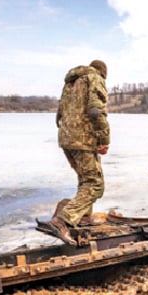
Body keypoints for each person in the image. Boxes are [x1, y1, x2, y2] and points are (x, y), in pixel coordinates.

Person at [44, 59, 110, 246]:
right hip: (83, 138)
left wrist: (67, 134)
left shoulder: (70, 82)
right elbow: (96, 111)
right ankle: (62, 220)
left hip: (66, 137)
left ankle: (84, 216)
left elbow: (59, 114)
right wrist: (104, 139)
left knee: (85, 178)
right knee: (95, 185)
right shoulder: (94, 78)